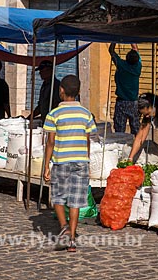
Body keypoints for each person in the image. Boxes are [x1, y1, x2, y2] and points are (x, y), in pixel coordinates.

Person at [43, 75, 96, 252]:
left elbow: (50, 142)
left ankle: (64, 226)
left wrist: (46, 166)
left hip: (61, 161)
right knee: (75, 201)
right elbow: (88, 140)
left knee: (58, 196)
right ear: (79, 92)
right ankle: (72, 239)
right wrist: (86, 159)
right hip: (81, 161)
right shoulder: (86, 114)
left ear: (61, 90)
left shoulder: (54, 114)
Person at [109, 43, 142, 135]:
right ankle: (136, 147)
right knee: (136, 129)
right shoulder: (138, 67)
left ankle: (120, 147)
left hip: (121, 103)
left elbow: (111, 51)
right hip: (134, 103)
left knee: (119, 130)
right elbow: (135, 48)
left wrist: (114, 41)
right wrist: (130, 38)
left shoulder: (121, 65)